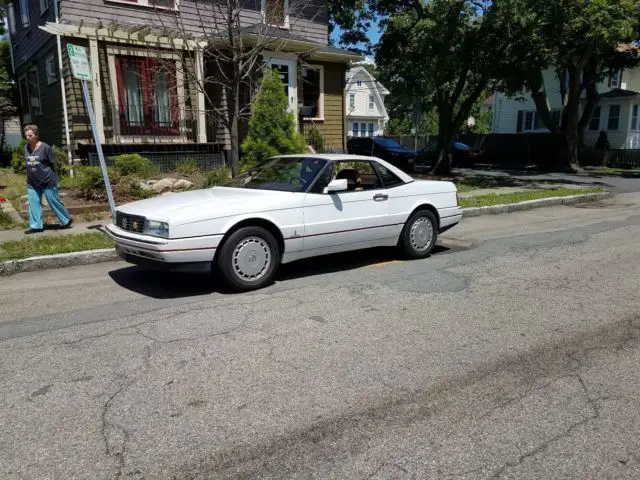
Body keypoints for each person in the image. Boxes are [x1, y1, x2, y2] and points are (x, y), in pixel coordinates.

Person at [23, 124, 73, 234]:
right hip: (32, 182)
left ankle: (66, 220)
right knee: (34, 203)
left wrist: (55, 180)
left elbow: (52, 164)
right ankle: (36, 226)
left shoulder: (45, 147)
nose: (28, 138)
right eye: (26, 135)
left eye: (30, 135)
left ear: (36, 135)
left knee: (54, 202)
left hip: (47, 181)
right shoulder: (25, 148)